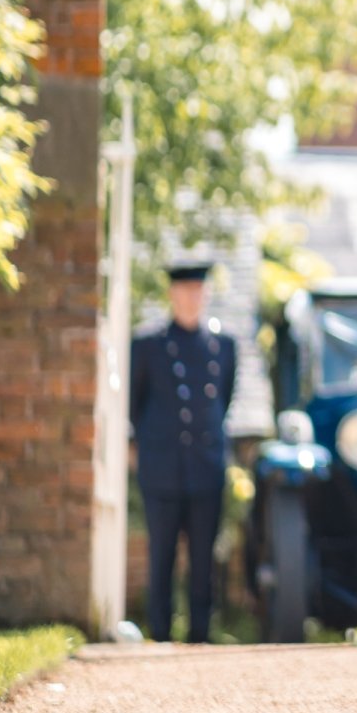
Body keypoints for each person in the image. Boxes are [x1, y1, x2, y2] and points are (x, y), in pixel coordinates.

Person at [130, 260, 238, 644]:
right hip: (161, 466)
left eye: (198, 290)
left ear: (205, 294)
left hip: (206, 466)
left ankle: (200, 634)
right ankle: (159, 632)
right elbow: (135, 404)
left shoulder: (223, 346)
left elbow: (222, 400)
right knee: (161, 554)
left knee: (203, 558)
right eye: (184, 290)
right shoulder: (148, 345)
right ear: (172, 295)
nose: (191, 298)